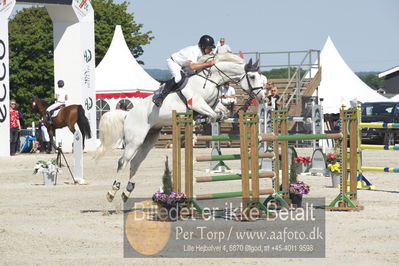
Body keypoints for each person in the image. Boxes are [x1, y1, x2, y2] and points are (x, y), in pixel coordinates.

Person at [152, 35, 216, 107]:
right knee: (178, 78)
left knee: (194, 78)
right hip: (174, 62)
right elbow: (192, 67)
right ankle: (160, 96)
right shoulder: (194, 51)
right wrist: (207, 64)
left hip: (183, 66)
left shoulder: (202, 52)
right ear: (203, 47)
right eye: (209, 48)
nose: (211, 50)